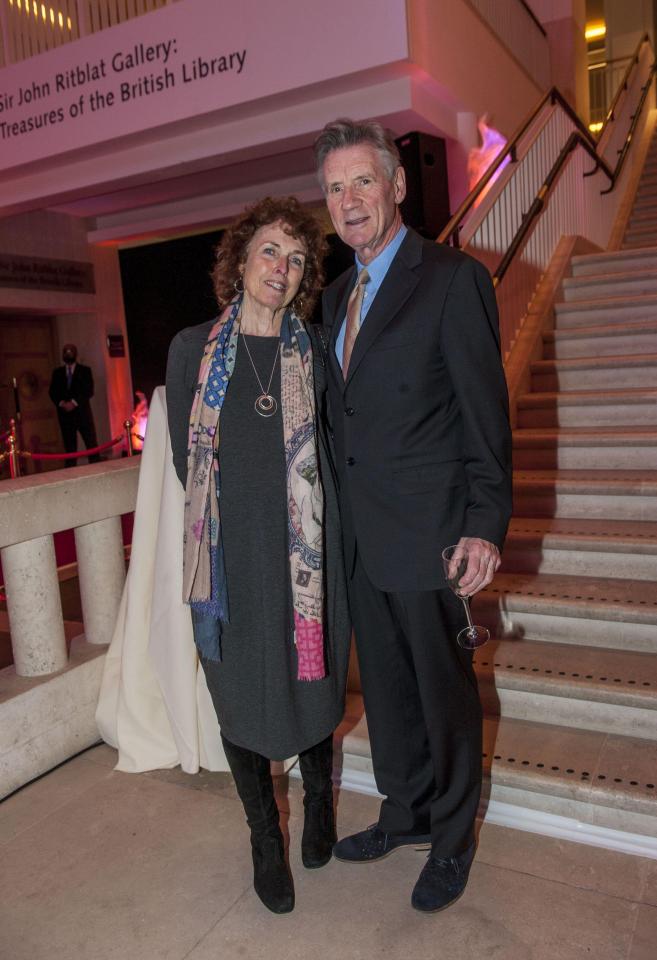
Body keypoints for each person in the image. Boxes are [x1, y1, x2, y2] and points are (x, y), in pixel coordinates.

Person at [314, 119, 513, 912]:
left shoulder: (450, 279)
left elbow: (483, 416)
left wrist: (483, 524)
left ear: (397, 186)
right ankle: (406, 814)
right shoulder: (334, 294)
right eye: (333, 187)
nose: (348, 199)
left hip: (432, 532)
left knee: (443, 693)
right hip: (360, 538)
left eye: (362, 180)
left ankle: (454, 837)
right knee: (389, 692)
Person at [165, 196, 350, 915]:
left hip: (305, 553)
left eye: (297, 258)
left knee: (312, 679)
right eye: (269, 250)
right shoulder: (191, 351)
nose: (282, 267)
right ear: (239, 260)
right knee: (238, 689)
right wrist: (230, 526)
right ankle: (263, 838)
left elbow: (333, 446)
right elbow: (189, 462)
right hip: (230, 559)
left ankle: (320, 806)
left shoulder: (313, 348)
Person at [48, 343, 100, 466]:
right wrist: (61, 403)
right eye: (66, 351)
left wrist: (74, 403)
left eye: (71, 351)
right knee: (70, 449)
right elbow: (52, 392)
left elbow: (88, 390)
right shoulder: (57, 373)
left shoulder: (85, 370)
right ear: (63, 355)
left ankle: (98, 469)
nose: (68, 353)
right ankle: (70, 475)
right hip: (65, 416)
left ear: (75, 354)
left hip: (83, 414)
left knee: (91, 444)